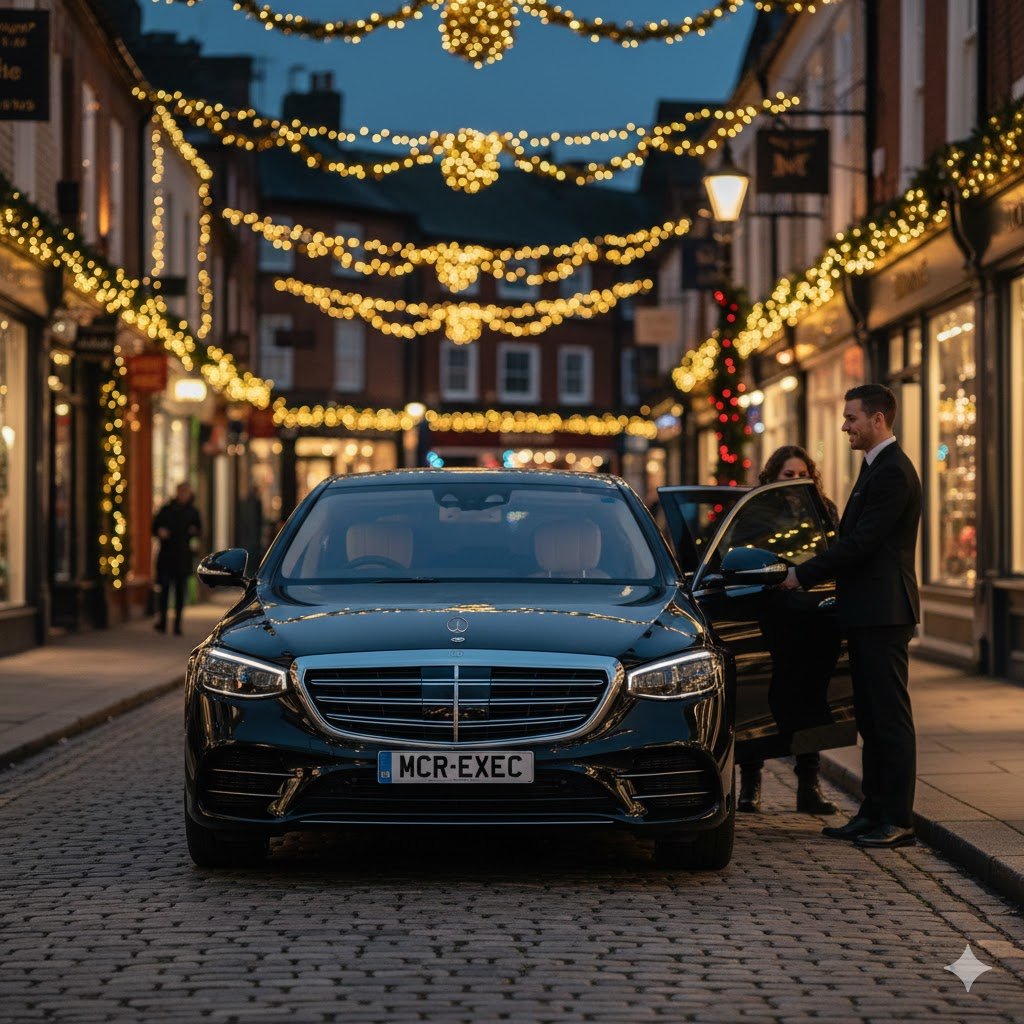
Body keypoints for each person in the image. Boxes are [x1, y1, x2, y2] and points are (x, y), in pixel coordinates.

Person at [780, 383, 921, 849]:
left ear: (878, 419)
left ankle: (896, 818)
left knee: (889, 718)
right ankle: (873, 811)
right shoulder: (874, 468)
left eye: (852, 418)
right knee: (870, 718)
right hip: (865, 611)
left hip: (884, 612)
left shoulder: (894, 472)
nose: (845, 426)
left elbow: (861, 543)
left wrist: (804, 573)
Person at [738, 445, 839, 816]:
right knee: (761, 698)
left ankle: (809, 783)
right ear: (772, 477)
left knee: (811, 698)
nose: (797, 481)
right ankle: (750, 783)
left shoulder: (825, 509)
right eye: (788, 475)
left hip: (814, 618)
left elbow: (836, 554)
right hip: (770, 616)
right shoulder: (757, 510)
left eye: (802, 474)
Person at [152, 482, 202, 635]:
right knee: (165, 590)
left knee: (180, 592)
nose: (183, 495)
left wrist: (193, 532)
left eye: (186, 492)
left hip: (182, 556)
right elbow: (154, 527)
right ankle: (162, 621)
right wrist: (160, 532)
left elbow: (199, 530)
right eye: (181, 492)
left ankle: (177, 624)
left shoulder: (192, 512)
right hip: (167, 555)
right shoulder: (166, 510)